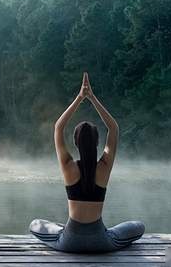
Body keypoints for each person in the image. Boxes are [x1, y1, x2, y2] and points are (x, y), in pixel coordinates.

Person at [29, 72, 145, 253]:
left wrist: (80, 97)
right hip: (101, 242)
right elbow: (113, 128)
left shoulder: (68, 166)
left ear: (75, 143)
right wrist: (92, 97)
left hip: (70, 242)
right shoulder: (104, 167)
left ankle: (61, 229)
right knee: (138, 226)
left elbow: (58, 127)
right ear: (98, 142)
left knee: (35, 224)